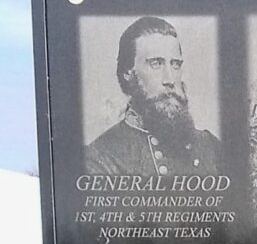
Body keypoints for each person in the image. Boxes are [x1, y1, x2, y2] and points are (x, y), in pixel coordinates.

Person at [85, 16, 220, 176]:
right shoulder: (100, 159)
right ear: (128, 73)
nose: (170, 79)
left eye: (175, 64)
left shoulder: (210, 146)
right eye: (156, 64)